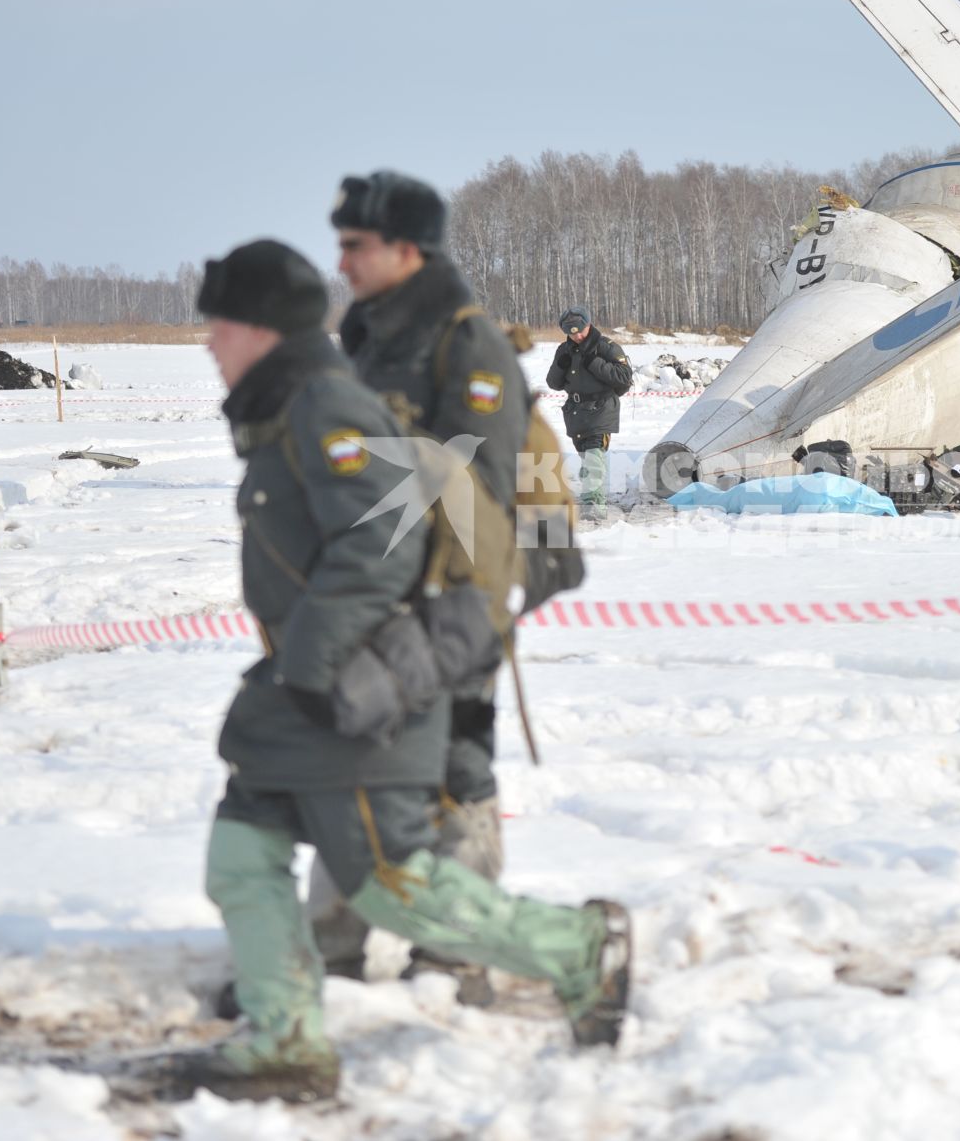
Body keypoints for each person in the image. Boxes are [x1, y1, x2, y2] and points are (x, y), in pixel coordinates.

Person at [176, 240, 628, 1102]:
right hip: (379, 639)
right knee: (329, 801)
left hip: (450, 638)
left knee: (453, 783)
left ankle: (456, 957)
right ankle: (328, 954)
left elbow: (548, 542)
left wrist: (487, 603)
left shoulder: (497, 412)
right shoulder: (362, 400)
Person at [314, 170, 527, 1004]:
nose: (343, 260)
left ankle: (455, 955)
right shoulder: (364, 336)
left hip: (451, 595)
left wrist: (456, 615)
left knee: (456, 765)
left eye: (355, 245)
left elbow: (475, 483)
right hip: (367, 592)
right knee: (348, 754)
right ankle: (330, 953)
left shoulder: (465, 343)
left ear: (407, 250)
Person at [547, 306, 631, 507]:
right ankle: (591, 496)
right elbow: (553, 383)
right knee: (587, 458)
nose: (576, 336)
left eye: (580, 331)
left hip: (601, 409)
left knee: (594, 457)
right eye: (570, 333)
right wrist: (561, 365)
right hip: (576, 413)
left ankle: (594, 504)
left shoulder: (606, 347)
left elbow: (624, 378)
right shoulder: (564, 349)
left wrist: (594, 362)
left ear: (588, 325)